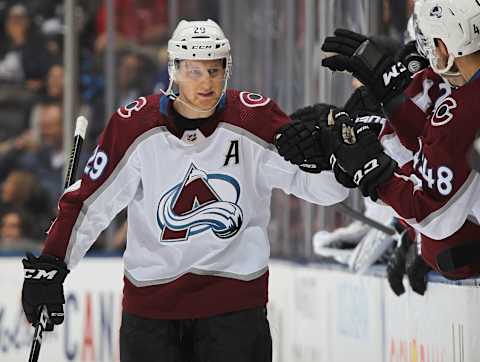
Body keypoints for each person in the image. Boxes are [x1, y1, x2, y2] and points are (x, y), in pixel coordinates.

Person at [21, 19, 349, 362]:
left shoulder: (255, 119)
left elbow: (326, 191)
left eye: (214, 69)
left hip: (234, 309)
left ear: (227, 69)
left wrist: (331, 159)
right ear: (174, 71)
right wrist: (53, 263)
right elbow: (88, 203)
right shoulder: (133, 126)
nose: (206, 82)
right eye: (194, 71)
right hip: (152, 314)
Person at [315, 0, 480, 280]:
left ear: (444, 44)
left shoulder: (459, 108)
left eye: (430, 43)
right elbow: (438, 148)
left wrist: (376, 176)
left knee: (445, 249)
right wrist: (392, 98)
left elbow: (434, 217)